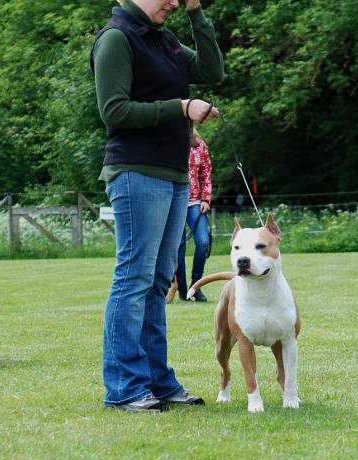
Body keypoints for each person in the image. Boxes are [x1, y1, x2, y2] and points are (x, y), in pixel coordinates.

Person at [91, 0, 224, 412]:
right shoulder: (116, 39)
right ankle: (125, 388)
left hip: (173, 175)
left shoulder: (163, 39)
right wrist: (181, 108)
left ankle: (158, 381)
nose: (173, 2)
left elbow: (211, 71)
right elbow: (113, 110)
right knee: (134, 279)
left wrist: (197, 13)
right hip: (135, 172)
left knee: (158, 281)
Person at [176, 125, 213, 302]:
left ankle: (196, 286)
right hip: (174, 201)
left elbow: (206, 173)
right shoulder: (169, 143)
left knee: (203, 242)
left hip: (195, 202)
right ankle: (182, 291)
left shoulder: (199, 145)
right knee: (179, 247)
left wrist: (206, 198)